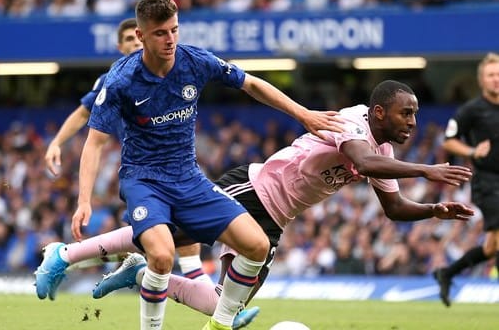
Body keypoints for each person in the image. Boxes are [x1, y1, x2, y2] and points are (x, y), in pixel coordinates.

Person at [34, 0, 345, 330]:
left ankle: (219, 324)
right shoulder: (121, 80)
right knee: (163, 256)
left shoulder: (195, 61)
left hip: (189, 179)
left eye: (174, 30)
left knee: (256, 245)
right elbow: (94, 144)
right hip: (144, 179)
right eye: (160, 33)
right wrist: (83, 200)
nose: (170, 40)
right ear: (141, 36)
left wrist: (303, 113)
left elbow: (251, 84)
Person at [89, 80, 474, 317]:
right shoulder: (353, 122)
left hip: (276, 218)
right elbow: (362, 161)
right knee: (169, 236)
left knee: (228, 302)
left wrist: (432, 209)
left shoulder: (383, 154)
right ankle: (73, 254)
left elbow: (393, 207)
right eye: (405, 113)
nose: (412, 122)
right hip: (255, 189)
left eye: (415, 115)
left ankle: (140, 274)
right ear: (378, 112)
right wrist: (426, 170)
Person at [43, 17, 211, 284]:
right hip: (142, 173)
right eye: (129, 40)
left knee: (180, 239)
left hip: (176, 169)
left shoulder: (169, 69)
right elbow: (82, 114)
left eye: (137, 38)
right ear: (120, 47)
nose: (135, 43)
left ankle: (86, 260)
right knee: (163, 239)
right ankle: (71, 257)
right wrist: (56, 143)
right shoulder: (114, 80)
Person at [433, 52, 499, 307]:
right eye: (491, 75)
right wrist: (472, 151)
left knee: (492, 247)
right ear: (482, 80)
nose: (496, 80)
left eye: (498, 75)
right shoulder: (472, 110)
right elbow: (448, 139)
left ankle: (447, 273)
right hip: (488, 182)